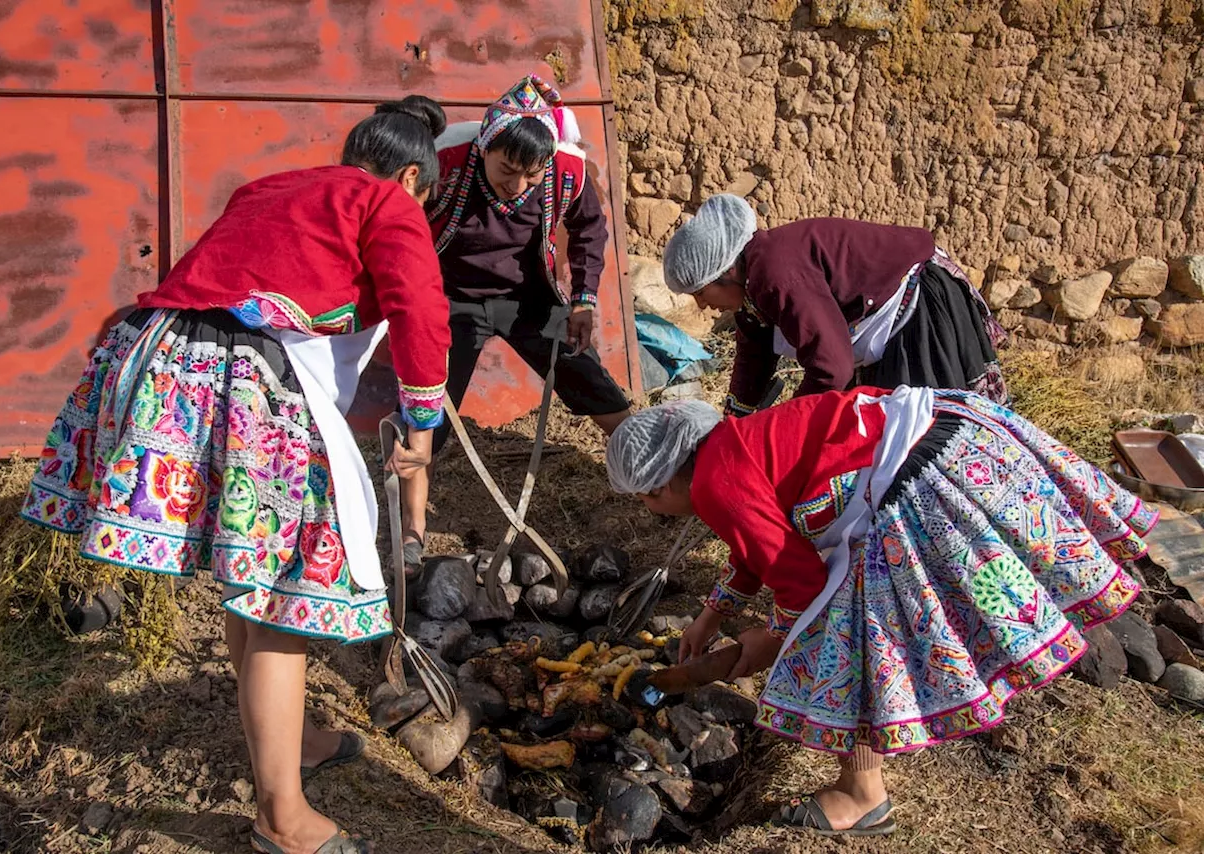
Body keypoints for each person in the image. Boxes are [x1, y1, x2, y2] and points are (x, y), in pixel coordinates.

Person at [20, 97, 453, 854]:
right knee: (286, 588)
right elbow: (420, 305)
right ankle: (281, 818)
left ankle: (295, 746)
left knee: (250, 573)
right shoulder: (386, 199)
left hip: (159, 364)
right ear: (413, 176)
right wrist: (422, 424)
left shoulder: (271, 186)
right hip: (244, 383)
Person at [606, 390, 1156, 836]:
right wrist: (714, 614)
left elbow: (804, 590)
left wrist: (771, 639)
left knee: (857, 635)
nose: (651, 509)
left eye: (646, 500)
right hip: (952, 429)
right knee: (866, 616)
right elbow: (759, 536)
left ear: (661, 481)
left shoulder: (713, 485)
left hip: (919, 483)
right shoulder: (731, 444)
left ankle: (860, 795)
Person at [400, 74, 632, 565]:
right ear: (485, 143)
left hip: (528, 297)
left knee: (583, 375)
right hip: (450, 299)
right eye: (507, 170)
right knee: (429, 413)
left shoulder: (565, 168)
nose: (518, 186)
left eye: (531, 176)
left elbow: (590, 226)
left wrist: (584, 299)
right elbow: (402, 226)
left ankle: (653, 474)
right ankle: (410, 535)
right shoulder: (444, 160)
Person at [662, 195, 1009, 417]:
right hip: (880, 320)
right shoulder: (753, 287)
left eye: (701, 293)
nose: (704, 307)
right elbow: (754, 353)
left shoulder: (775, 274)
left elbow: (832, 366)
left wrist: (790, 422)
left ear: (724, 274)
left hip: (915, 308)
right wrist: (736, 418)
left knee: (919, 430)